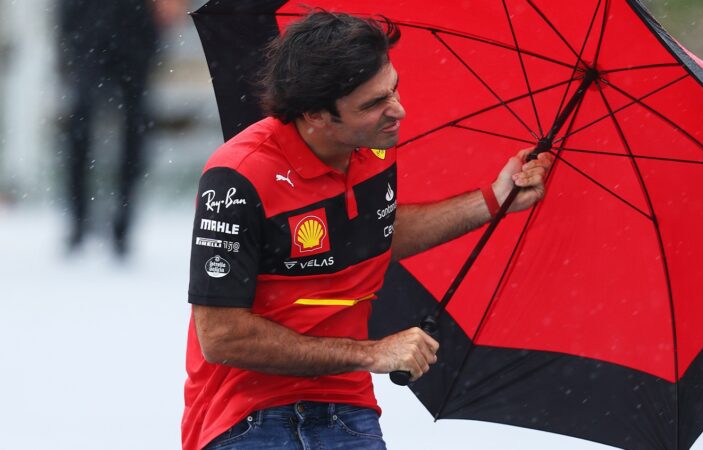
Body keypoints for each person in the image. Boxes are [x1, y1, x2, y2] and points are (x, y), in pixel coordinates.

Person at [182, 10, 554, 450]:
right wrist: (371, 352)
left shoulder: (374, 147)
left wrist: (494, 199)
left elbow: (372, 237)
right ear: (316, 115)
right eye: (373, 103)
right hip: (244, 415)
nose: (398, 110)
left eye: (392, 89)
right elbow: (222, 336)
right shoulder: (238, 176)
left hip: (347, 409)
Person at [57, 0, 186, 256]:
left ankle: (123, 220)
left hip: (136, 16)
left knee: (133, 121)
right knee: (82, 117)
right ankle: (78, 219)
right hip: (88, 16)